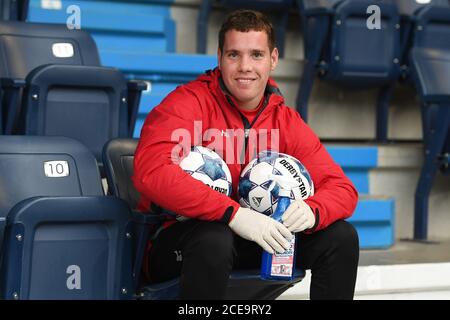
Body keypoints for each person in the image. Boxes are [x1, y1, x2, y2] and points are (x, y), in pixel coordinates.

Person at [133, 9, 359, 300]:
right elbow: (152, 172)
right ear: (219, 57)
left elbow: (342, 188)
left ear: (273, 59)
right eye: (233, 55)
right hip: (181, 241)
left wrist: (312, 211)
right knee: (215, 238)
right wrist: (232, 214)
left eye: (256, 55)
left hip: (257, 239)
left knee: (340, 237)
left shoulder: (285, 120)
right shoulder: (186, 105)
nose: (244, 67)